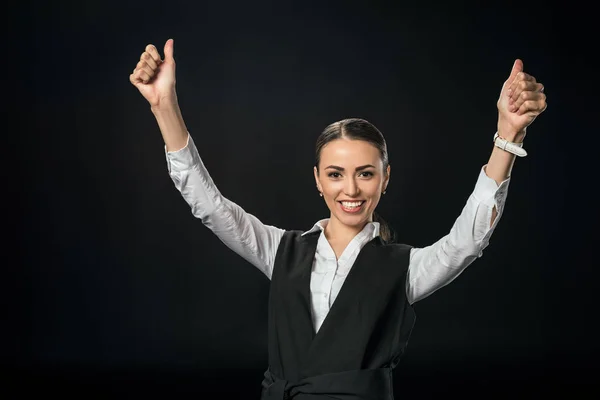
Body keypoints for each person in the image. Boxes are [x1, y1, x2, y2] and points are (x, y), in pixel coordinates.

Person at [129, 38, 547, 399]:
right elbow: (210, 205)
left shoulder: (405, 268)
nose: (350, 189)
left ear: (385, 180)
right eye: (335, 174)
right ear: (317, 180)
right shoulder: (280, 250)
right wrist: (164, 106)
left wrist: (508, 137)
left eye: (365, 173)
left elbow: (468, 240)